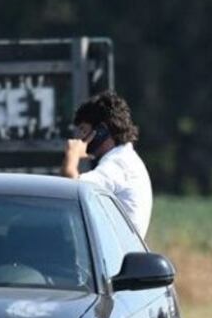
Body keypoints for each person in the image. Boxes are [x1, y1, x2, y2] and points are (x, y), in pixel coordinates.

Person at [61, 90, 153, 237]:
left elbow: (71, 191)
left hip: (116, 250)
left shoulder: (118, 164)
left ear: (101, 131)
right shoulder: (125, 159)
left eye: (83, 130)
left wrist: (71, 156)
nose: (79, 138)